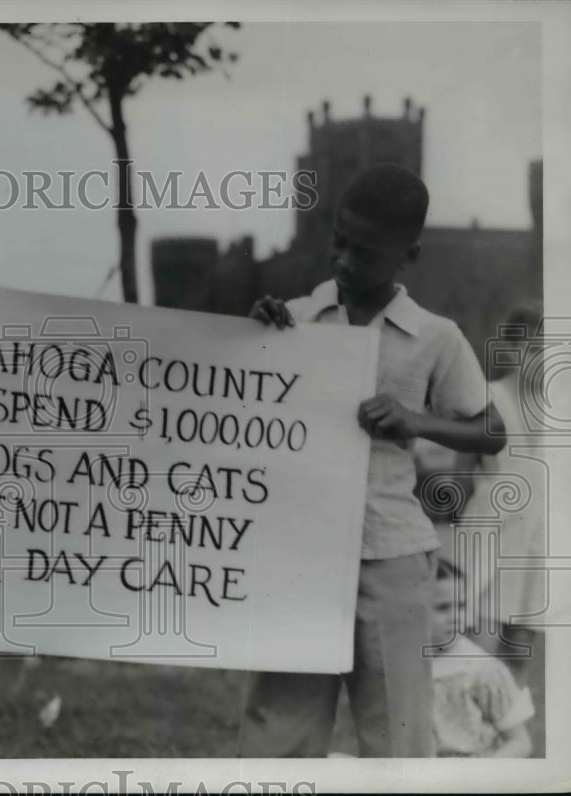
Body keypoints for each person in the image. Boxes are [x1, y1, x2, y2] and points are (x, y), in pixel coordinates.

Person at [239, 163, 506, 757]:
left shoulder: (435, 336)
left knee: (398, 737)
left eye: (365, 252)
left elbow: (491, 430)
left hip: (390, 556)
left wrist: (418, 420)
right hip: (301, 555)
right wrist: (252, 341)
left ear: (406, 254)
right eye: (339, 242)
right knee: (279, 731)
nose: (344, 262)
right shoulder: (296, 319)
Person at [454, 302, 547, 686]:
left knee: (521, 643)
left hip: (541, 531)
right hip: (493, 526)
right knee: (481, 642)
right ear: (511, 350)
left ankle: (503, 739)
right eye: (534, 349)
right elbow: (459, 475)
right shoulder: (486, 398)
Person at [430, 559, 534, 757]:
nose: (455, 616)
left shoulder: (482, 669)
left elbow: (520, 742)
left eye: (460, 606)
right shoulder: (403, 666)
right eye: (442, 607)